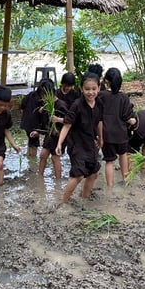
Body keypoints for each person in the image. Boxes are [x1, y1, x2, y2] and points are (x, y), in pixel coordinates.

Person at [56, 72, 104, 203]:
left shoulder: (99, 103)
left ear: (99, 88)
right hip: (76, 144)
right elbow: (67, 125)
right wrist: (59, 143)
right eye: (87, 89)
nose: (90, 92)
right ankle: (63, 202)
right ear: (81, 89)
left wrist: (101, 137)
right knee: (78, 175)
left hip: (90, 143)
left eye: (94, 89)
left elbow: (99, 121)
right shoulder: (77, 105)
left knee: (94, 173)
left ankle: (85, 197)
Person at [99, 67, 136, 186]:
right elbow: (126, 116)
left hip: (106, 134)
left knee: (109, 161)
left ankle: (109, 187)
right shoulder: (124, 97)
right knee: (123, 155)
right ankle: (126, 180)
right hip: (121, 134)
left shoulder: (101, 95)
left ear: (106, 81)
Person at [38, 79, 69, 179]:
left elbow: (68, 121)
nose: (43, 98)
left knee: (55, 158)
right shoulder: (47, 105)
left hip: (59, 135)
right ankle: (40, 176)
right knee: (43, 155)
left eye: (44, 95)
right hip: (50, 134)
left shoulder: (61, 105)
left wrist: (57, 119)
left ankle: (58, 180)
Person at [20, 80, 49, 157]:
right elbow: (43, 117)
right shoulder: (42, 101)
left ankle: (28, 156)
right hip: (34, 126)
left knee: (30, 141)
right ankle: (33, 162)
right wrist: (39, 129)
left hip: (26, 123)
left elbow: (22, 105)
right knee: (34, 145)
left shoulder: (30, 94)